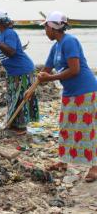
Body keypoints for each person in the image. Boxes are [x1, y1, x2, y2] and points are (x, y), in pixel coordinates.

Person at [37, 11, 97, 182]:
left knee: (89, 129)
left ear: (54, 27)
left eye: (46, 27)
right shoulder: (55, 46)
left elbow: (75, 70)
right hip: (70, 93)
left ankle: (95, 166)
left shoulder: (69, 42)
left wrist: (50, 78)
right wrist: (32, 87)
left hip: (86, 91)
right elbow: (45, 71)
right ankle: (63, 162)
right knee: (66, 127)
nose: (45, 31)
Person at [0, 10, 39, 135]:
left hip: (23, 71)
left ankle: (21, 128)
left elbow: (11, 52)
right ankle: (13, 124)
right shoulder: (0, 35)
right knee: (12, 99)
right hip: (12, 74)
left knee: (21, 99)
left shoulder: (10, 34)